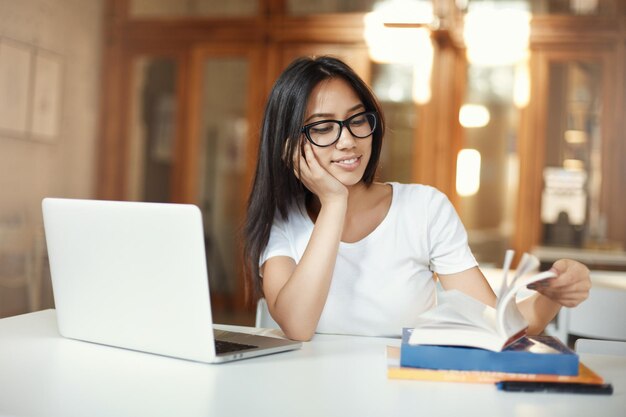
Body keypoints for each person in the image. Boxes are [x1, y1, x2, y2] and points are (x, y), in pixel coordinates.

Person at [243, 56, 591, 341]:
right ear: (289, 144)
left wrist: (550, 297)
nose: (348, 141)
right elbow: (297, 326)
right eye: (322, 127)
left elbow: (497, 323)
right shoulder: (284, 220)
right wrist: (334, 203)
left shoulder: (424, 209)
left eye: (356, 120)